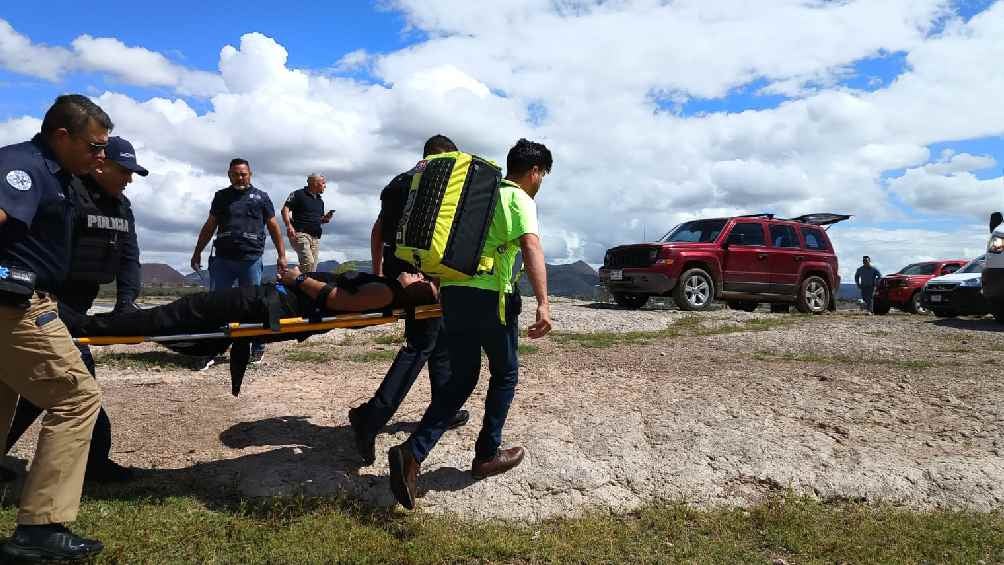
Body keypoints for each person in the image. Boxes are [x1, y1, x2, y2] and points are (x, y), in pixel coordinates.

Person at [388, 139, 554, 509]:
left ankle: (412, 454)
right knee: (505, 373)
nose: (541, 182)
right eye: (542, 175)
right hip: (489, 300)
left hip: (455, 295)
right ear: (535, 172)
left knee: (462, 378)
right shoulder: (518, 199)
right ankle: (486, 455)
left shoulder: (477, 195)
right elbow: (531, 245)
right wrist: (543, 303)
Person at [0, 94, 108, 561]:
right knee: (77, 397)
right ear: (62, 136)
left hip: (24, 302)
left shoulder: (60, 175)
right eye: (94, 145)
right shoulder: (25, 167)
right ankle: (41, 529)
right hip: (16, 307)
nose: (100, 155)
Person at [2, 137, 147, 484]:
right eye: (124, 171)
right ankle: (94, 462)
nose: (129, 179)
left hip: (80, 303)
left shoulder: (122, 207)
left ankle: (89, 460)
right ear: (100, 165)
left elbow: (129, 258)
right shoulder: (66, 196)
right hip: (47, 302)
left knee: (39, 391)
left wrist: (126, 303)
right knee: (77, 383)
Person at [348, 135, 469, 466]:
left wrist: (379, 272)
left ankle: (446, 408)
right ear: (445, 157)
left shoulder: (397, 183)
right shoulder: (435, 183)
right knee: (421, 344)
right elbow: (440, 237)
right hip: (422, 274)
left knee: (439, 340)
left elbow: (378, 229)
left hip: (396, 268)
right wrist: (444, 278)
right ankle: (369, 418)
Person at [61, 267, 438, 338]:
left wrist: (298, 279)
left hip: (267, 302)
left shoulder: (388, 292)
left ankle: (85, 324)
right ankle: (96, 323)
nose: (416, 273)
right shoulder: (389, 285)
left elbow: (338, 301)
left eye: (420, 280)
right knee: (179, 315)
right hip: (267, 299)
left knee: (179, 313)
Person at [190, 158, 287, 364]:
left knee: (252, 305)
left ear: (250, 174)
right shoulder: (221, 197)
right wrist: (198, 251)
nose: (240, 177)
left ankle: (258, 346)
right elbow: (210, 226)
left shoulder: (261, 198)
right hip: (223, 260)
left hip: (250, 259)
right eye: (235, 174)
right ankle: (211, 351)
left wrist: (282, 254)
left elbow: (274, 227)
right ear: (229, 175)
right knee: (216, 306)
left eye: (243, 174)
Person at [282, 173, 334, 274]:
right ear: (315, 183)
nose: (325, 186)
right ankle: (293, 279)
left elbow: (319, 220)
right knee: (308, 262)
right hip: (301, 234)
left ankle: (294, 279)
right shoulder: (298, 194)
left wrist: (325, 219)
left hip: (315, 238)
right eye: (323, 183)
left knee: (312, 268)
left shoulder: (320, 201)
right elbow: (285, 209)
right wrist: (289, 225)